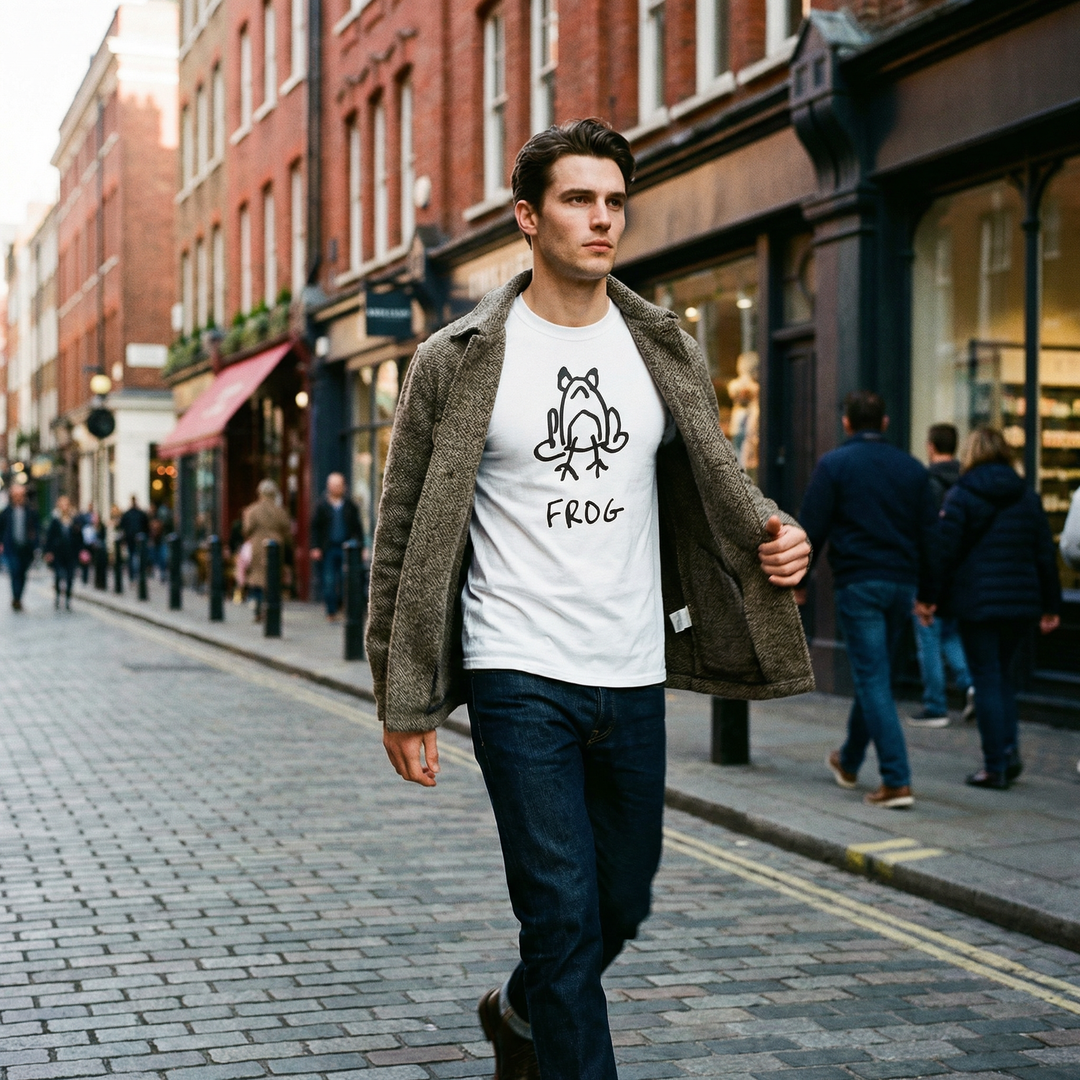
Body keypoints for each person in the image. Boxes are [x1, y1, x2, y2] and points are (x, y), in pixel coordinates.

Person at [367, 119, 814, 1079]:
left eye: (614, 200)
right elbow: (401, 533)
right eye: (579, 199)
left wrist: (778, 532)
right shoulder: (459, 356)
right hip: (516, 668)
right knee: (562, 913)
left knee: (619, 904)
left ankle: (522, 1012)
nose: (602, 218)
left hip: (631, 666)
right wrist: (402, 696)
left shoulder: (662, 344)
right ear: (528, 217)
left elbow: (718, 482)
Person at [799, 390, 936, 810]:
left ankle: (896, 780)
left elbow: (812, 527)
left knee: (873, 679)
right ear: (886, 422)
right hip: (903, 586)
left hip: (859, 585)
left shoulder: (835, 464)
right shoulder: (913, 469)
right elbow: (932, 536)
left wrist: (799, 580)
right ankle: (849, 760)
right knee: (876, 677)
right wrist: (929, 595)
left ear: (847, 423)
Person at [918, 427, 1061, 789]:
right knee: (1003, 680)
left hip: (977, 602)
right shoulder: (1027, 496)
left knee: (986, 679)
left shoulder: (962, 495)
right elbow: (1045, 554)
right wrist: (1051, 604)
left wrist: (928, 597)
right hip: (1021, 604)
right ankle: (1008, 753)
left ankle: (994, 765)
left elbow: (944, 552)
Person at [909, 423, 974, 727]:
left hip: (930, 571)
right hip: (960, 573)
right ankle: (971, 685)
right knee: (950, 634)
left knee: (929, 636)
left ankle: (936, 705)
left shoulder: (925, 483)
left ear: (931, 446)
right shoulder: (965, 482)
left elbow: (923, 533)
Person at [310, 472, 365, 621]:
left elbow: (357, 527)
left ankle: (341, 605)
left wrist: (362, 547)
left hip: (346, 547)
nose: (337, 488)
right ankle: (331, 611)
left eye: (339, 485)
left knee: (344, 578)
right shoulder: (321, 505)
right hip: (328, 548)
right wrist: (315, 547)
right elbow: (315, 527)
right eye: (334, 485)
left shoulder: (350, 505)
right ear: (328, 486)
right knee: (329, 580)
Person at [242, 479, 292, 622]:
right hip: (276, 546)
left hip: (258, 546)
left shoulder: (252, 510)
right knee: (273, 578)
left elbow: (247, 529)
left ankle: (258, 610)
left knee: (257, 578)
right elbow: (287, 528)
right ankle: (273, 610)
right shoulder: (280, 510)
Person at [0, 484, 39, 611]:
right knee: (14, 571)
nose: (18, 498)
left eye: (21, 495)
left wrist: (36, 545)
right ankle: (16, 598)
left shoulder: (31, 511)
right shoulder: (6, 512)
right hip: (11, 549)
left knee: (22, 574)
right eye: (15, 495)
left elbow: (36, 530)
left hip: (26, 549)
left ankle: (18, 597)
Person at [44, 496, 84, 611]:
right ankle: (57, 598)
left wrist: (81, 550)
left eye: (66, 504)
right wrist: (48, 552)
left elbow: (79, 537)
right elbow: (49, 537)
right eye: (62, 504)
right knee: (58, 576)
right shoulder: (55, 519)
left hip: (71, 553)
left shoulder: (74, 519)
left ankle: (67, 600)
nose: (64, 507)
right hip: (58, 554)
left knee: (70, 577)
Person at [119, 495, 150, 581]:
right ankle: (135, 576)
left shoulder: (134, 513)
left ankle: (135, 576)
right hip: (131, 539)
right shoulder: (134, 513)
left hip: (135, 539)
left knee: (134, 557)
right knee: (134, 557)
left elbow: (146, 526)